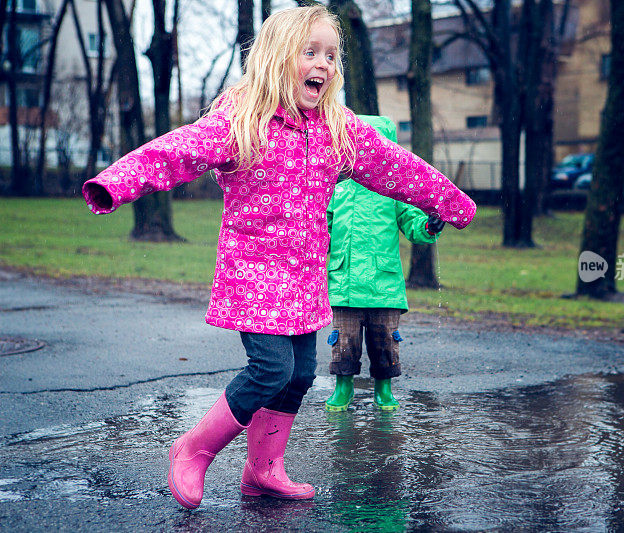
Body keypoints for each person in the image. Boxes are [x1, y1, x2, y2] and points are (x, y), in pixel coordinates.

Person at [81, 5, 475, 510]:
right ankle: (195, 448)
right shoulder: (241, 121)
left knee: (302, 373)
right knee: (269, 369)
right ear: (275, 58)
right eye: (310, 52)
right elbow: (176, 151)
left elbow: (395, 166)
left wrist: (449, 202)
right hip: (254, 272)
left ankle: (263, 470)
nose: (324, 64)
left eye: (331, 56)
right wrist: (114, 183)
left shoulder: (338, 130)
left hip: (305, 277)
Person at [324, 115, 445, 412]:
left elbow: (412, 222)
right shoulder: (337, 188)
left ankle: (384, 388)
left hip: (384, 282)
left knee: (385, 341)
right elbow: (321, 226)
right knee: (344, 340)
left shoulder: (395, 191)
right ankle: (343, 386)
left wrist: (429, 225)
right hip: (345, 280)